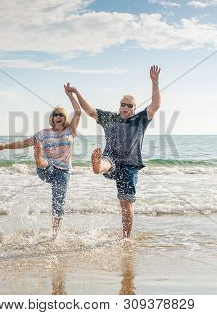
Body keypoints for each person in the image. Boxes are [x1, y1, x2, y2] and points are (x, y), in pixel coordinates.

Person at [69, 65, 161, 238]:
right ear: (119, 106)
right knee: (107, 161)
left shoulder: (140, 119)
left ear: (134, 108)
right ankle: (98, 166)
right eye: (122, 104)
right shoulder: (110, 118)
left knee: (126, 204)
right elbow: (89, 110)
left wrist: (155, 82)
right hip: (111, 159)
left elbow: (155, 105)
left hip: (130, 166)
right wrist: (75, 92)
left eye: (129, 105)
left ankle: (126, 238)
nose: (125, 107)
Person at [0, 83, 81, 240]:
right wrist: (3, 146)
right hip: (47, 168)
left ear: (65, 118)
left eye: (61, 115)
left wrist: (71, 94)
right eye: (56, 114)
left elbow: (78, 111)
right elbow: (24, 143)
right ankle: (38, 158)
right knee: (44, 162)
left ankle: (55, 235)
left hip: (63, 173)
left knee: (58, 202)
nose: (58, 117)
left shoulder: (70, 131)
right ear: (52, 118)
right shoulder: (44, 133)